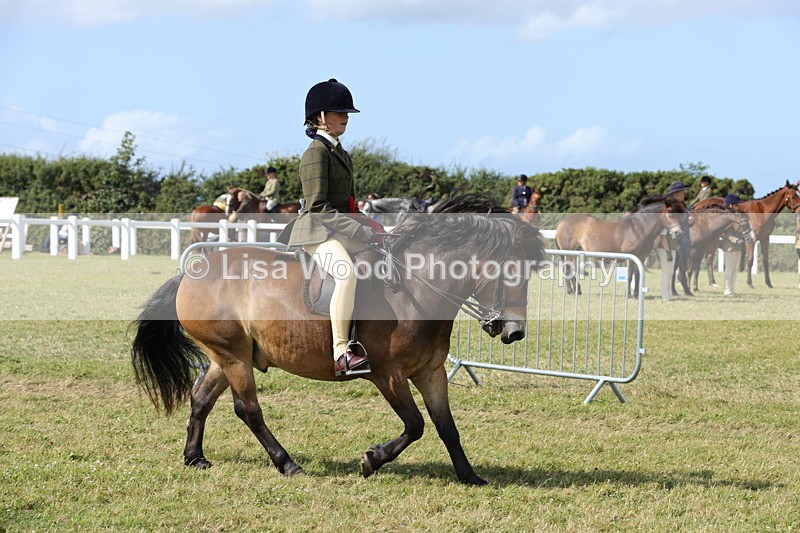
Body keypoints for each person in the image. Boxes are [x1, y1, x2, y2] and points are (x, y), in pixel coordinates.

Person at [281, 78, 378, 376]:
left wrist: (368, 224)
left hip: (337, 228)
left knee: (386, 258)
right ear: (320, 117)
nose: (345, 117)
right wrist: (356, 230)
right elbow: (318, 206)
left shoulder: (340, 152)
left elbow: (347, 203)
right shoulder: (316, 152)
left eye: (347, 113)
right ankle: (341, 353)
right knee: (345, 273)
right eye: (339, 112)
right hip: (316, 231)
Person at [720, 193, 743, 296]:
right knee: (729, 268)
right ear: (730, 205)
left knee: (735, 268)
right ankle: (727, 288)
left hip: (739, 245)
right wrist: (735, 240)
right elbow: (725, 233)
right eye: (735, 205)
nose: (737, 207)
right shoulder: (726, 217)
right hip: (729, 245)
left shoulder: (738, 215)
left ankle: (732, 288)